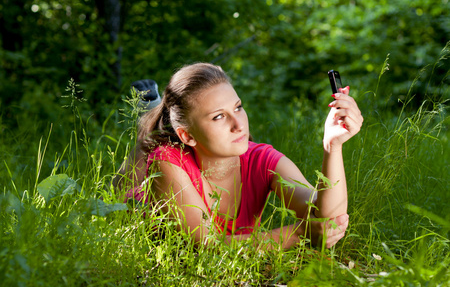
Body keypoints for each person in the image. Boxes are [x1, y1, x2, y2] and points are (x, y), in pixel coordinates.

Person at [115, 62, 363, 249]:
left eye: (238, 107)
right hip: (142, 203)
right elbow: (207, 247)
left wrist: (333, 146)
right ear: (188, 136)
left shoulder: (262, 160)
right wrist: (299, 234)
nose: (239, 124)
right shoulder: (167, 163)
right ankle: (147, 117)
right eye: (219, 116)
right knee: (145, 151)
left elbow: (327, 217)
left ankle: (154, 114)